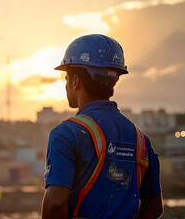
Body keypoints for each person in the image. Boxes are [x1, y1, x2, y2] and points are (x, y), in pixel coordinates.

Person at [41, 34, 163, 219]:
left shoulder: (66, 134)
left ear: (75, 81)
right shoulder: (140, 140)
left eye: (66, 78)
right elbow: (154, 206)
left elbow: (55, 203)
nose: (66, 84)